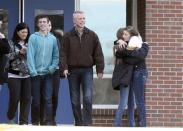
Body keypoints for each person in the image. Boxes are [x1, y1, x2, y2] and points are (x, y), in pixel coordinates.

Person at [60, 11, 104, 126]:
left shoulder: (92, 35)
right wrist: (64, 68)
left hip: (87, 70)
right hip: (72, 71)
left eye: (84, 18)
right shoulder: (67, 36)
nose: (82, 20)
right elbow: (63, 54)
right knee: (75, 99)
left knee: (88, 98)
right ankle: (79, 124)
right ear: (74, 21)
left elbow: (98, 53)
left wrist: (100, 70)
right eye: (80, 19)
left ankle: (87, 123)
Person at [27, 15, 59, 125]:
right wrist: (33, 71)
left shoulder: (53, 39)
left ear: (48, 23)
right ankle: (35, 122)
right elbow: (30, 55)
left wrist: (52, 68)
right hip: (35, 74)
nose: (42, 24)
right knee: (36, 100)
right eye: (40, 22)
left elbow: (56, 56)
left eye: (44, 22)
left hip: (48, 74)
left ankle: (47, 123)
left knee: (48, 100)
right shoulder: (33, 37)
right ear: (37, 24)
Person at [114, 26, 149, 127]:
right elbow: (120, 54)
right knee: (131, 101)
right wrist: (118, 41)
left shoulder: (143, 46)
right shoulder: (124, 45)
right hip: (131, 75)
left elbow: (137, 58)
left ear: (132, 36)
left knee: (139, 100)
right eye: (122, 34)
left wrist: (127, 55)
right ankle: (131, 125)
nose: (123, 36)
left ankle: (143, 125)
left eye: (125, 34)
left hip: (140, 72)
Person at [6, 23, 31, 125]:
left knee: (26, 98)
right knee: (15, 98)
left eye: (26, 32)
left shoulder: (30, 43)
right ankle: (11, 117)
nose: (25, 34)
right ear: (17, 32)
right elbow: (8, 56)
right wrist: (19, 53)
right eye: (22, 32)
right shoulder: (10, 43)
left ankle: (23, 122)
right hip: (13, 75)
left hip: (27, 75)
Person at [40, 20, 63, 125]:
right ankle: (45, 119)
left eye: (49, 25)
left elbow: (59, 55)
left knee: (54, 96)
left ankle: (52, 117)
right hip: (42, 71)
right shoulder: (37, 39)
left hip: (54, 72)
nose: (48, 27)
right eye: (46, 25)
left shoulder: (55, 39)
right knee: (45, 96)